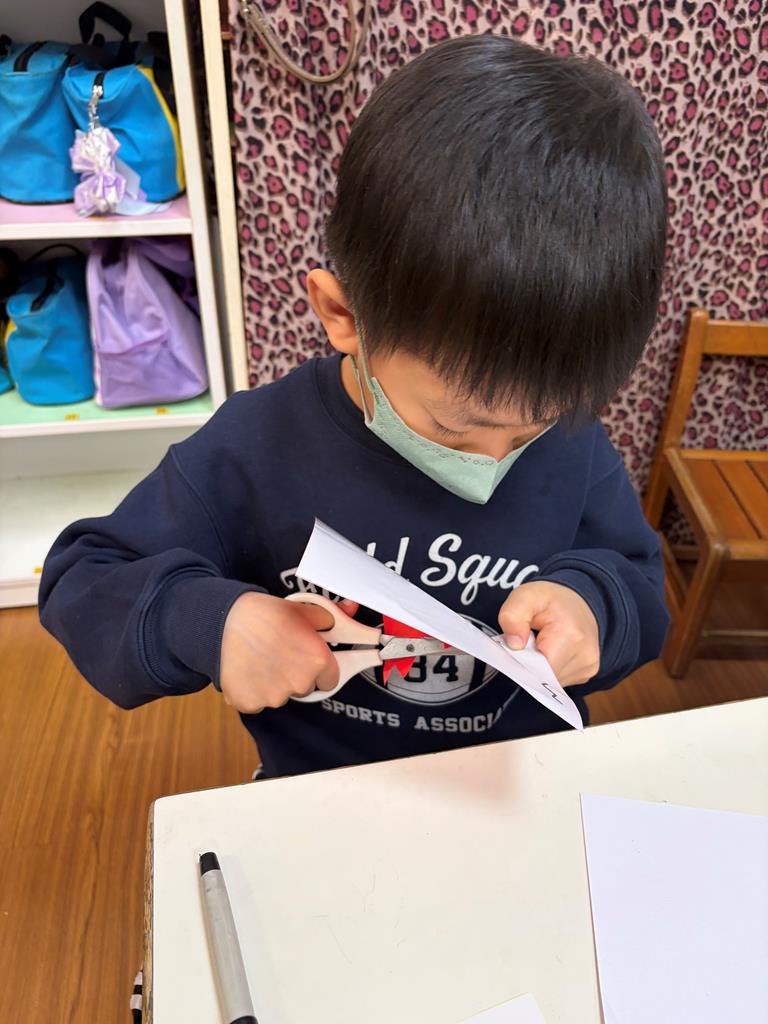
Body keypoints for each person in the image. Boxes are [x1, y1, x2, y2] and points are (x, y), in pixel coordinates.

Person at [40, 35, 669, 778]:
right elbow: (83, 578)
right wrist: (210, 622)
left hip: (522, 781)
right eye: (453, 425)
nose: (493, 460)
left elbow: (639, 581)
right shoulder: (258, 446)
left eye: (533, 426)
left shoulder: (574, 446)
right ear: (343, 317)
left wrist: (596, 606)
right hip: (324, 790)